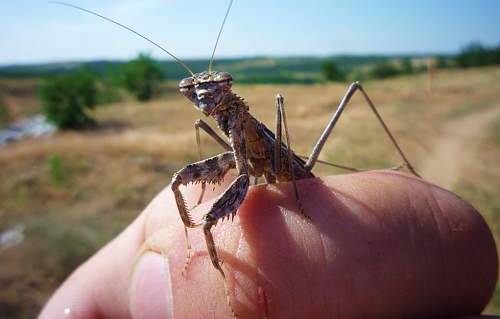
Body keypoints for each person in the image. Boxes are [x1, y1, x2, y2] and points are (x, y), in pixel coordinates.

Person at [39, 171, 498, 318]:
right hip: (257, 170)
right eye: (195, 94)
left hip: (291, 169)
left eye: (211, 91)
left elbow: (260, 169)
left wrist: (297, 192)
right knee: (185, 189)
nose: (203, 101)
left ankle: (213, 273)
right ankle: (202, 257)